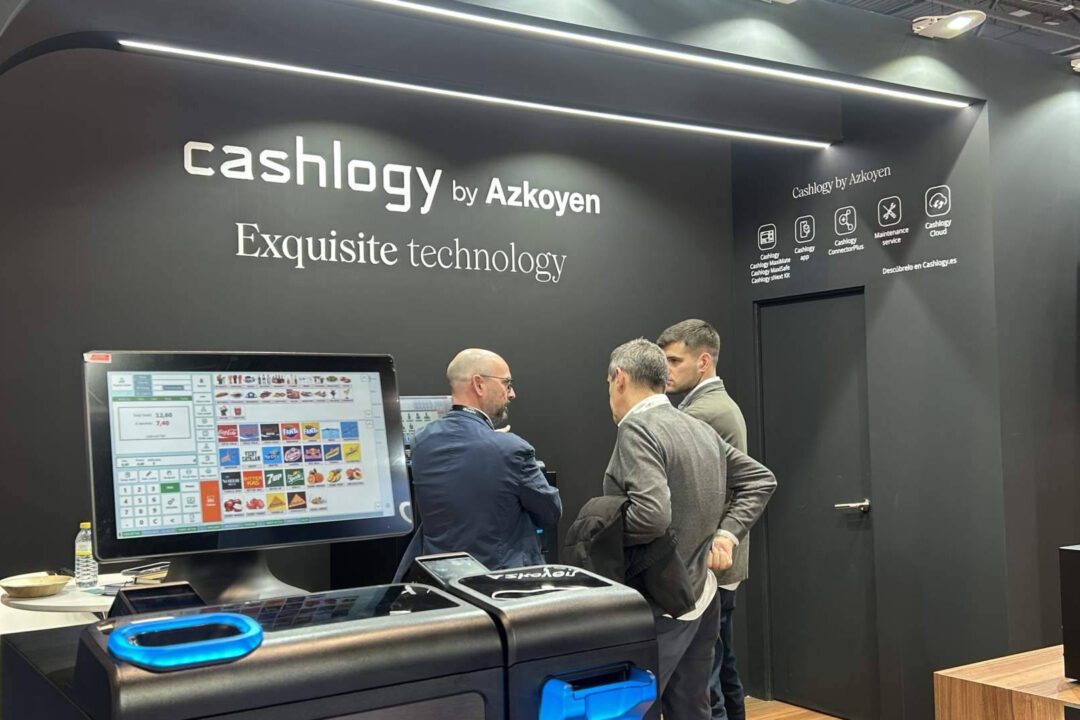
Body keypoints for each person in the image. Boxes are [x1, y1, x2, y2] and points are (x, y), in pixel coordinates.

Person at [602, 339, 776, 720]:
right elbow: (761, 479)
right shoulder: (698, 429)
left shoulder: (636, 428)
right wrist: (727, 534)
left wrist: (601, 532)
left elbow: (652, 516)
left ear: (619, 378)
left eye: (609, 384)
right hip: (702, 595)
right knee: (693, 708)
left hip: (657, 601)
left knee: (637, 708)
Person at [658, 319, 757, 720]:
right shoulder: (715, 406)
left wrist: (724, 536)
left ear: (703, 361)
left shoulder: (703, 413)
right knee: (722, 665)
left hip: (708, 564)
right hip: (719, 562)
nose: (665, 370)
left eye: (674, 361)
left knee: (704, 681)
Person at [407, 348, 562, 571]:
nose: (511, 394)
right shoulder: (511, 449)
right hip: (500, 584)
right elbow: (551, 512)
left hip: (441, 580)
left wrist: (491, 441)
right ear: (479, 384)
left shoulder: (421, 443)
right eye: (506, 384)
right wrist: (497, 444)